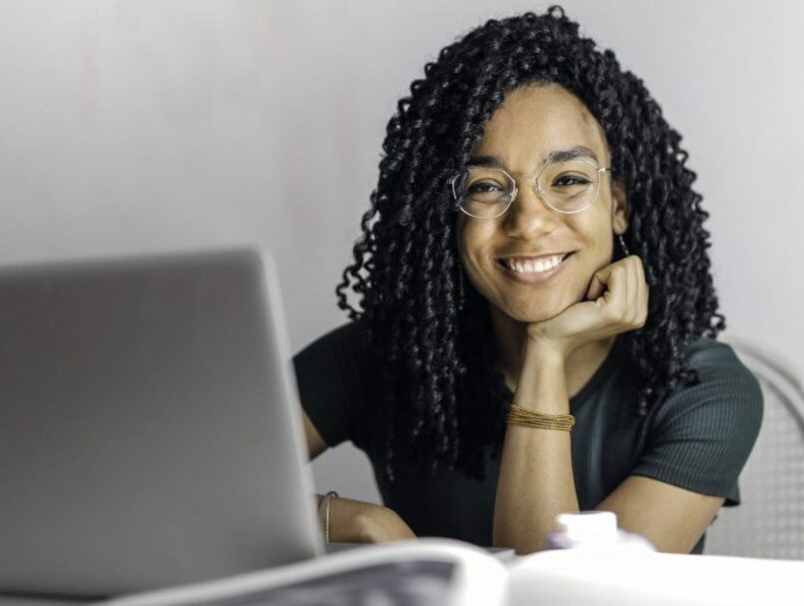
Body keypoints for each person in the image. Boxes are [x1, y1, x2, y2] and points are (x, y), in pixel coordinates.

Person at [293, 6, 762, 555]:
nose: (530, 222)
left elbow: (560, 595)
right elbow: (181, 486)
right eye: (486, 187)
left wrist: (546, 351)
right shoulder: (383, 355)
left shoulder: (702, 391)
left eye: (567, 179)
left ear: (619, 206)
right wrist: (354, 521)